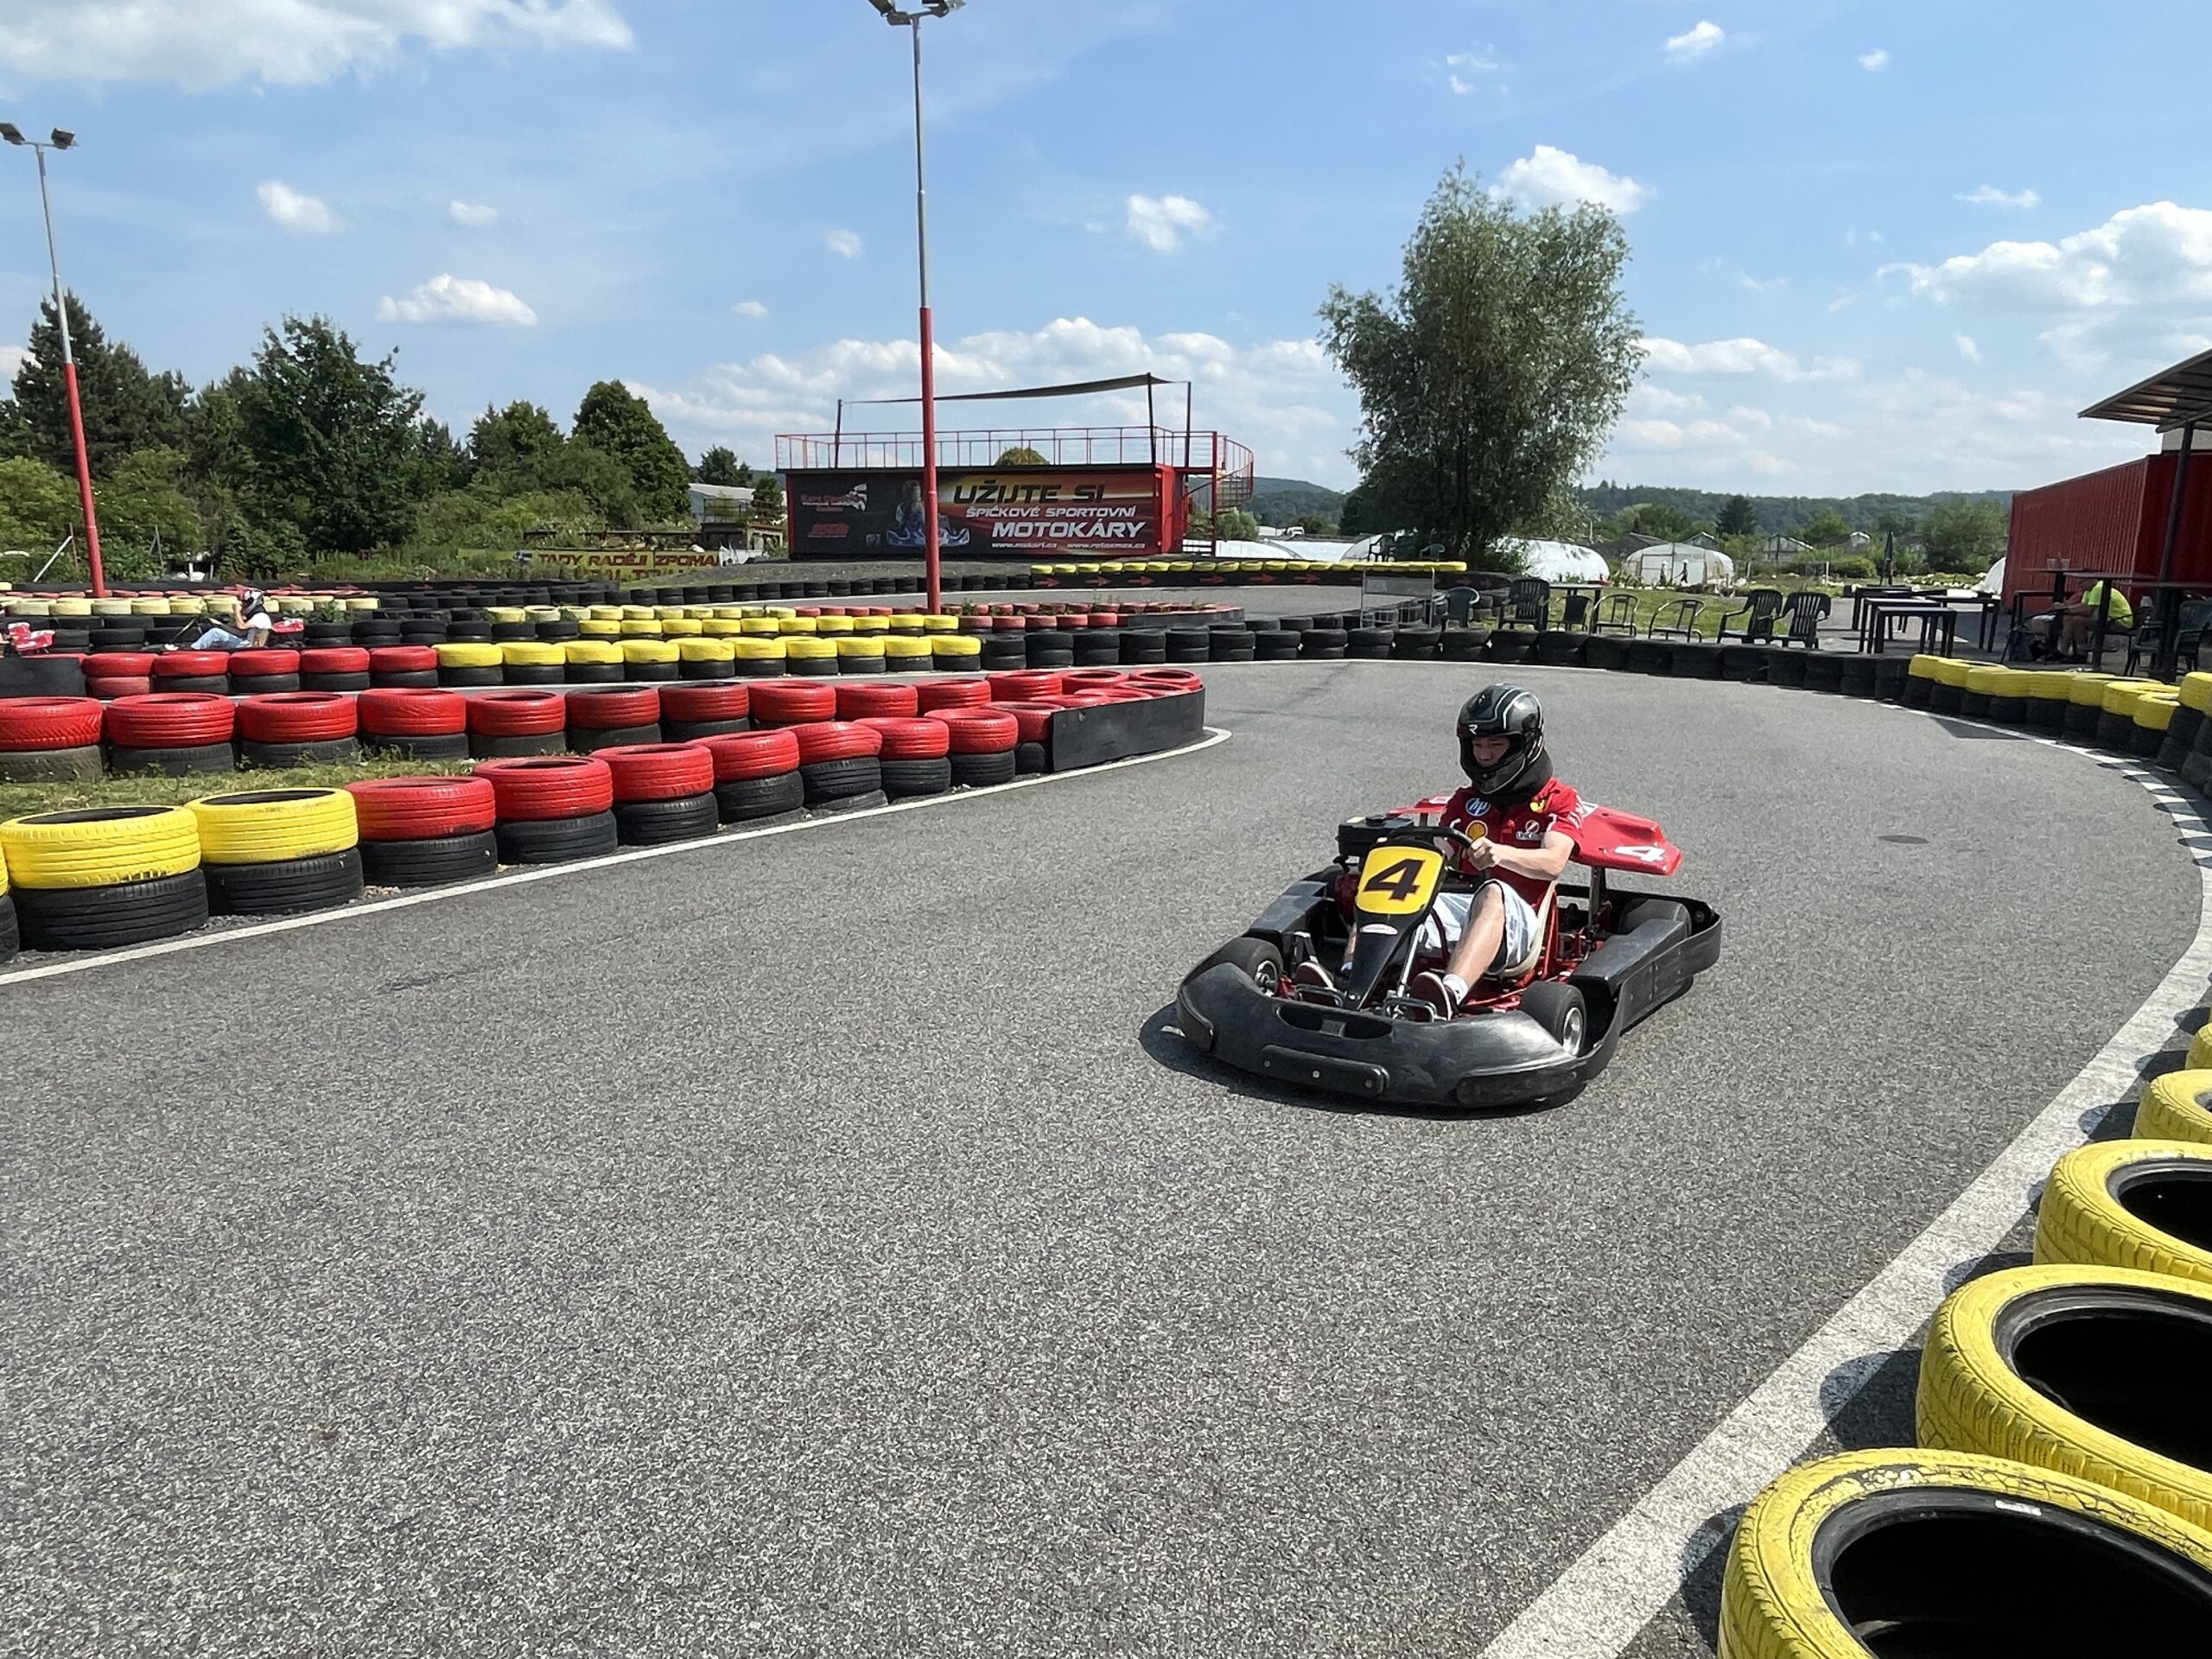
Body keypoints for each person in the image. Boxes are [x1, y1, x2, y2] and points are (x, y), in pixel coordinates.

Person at [1294, 683, 1584, 1018]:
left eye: (1495, 744)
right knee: (1384, 890)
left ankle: (1448, 994)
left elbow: (1554, 863)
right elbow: (1442, 850)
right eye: (1477, 745)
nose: (1484, 755)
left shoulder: (1558, 800)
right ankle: (1350, 982)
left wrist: (1502, 854)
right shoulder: (1465, 801)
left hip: (1520, 921)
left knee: (1493, 892)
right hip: (1462, 907)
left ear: (1525, 744)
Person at [2030, 577, 2134, 661]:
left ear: (2091, 580)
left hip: (2120, 621)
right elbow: (2083, 605)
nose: (2079, 585)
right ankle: (2062, 651)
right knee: (2068, 618)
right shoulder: (2089, 591)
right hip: (2106, 619)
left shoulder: (2099, 588)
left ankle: (2081, 654)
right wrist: (2065, 609)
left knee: (2078, 621)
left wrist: (2065, 609)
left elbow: (2088, 610)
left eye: (2081, 583)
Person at [184, 588, 276, 651]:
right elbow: (240, 632)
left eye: (245, 602)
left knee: (215, 633)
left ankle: (193, 650)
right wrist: (220, 625)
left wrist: (237, 611)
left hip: (247, 647)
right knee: (216, 632)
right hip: (246, 643)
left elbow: (241, 627)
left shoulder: (261, 617)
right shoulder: (258, 617)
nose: (243, 605)